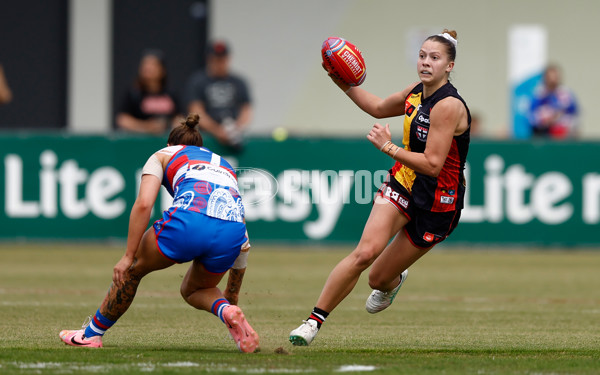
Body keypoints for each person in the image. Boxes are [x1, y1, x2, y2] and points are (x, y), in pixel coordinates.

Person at [289, 29, 471, 346]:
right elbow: (377, 107)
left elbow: (432, 164)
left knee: (377, 278)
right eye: (422, 55)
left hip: (438, 203)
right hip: (403, 181)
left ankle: (392, 281)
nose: (426, 63)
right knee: (365, 253)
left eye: (435, 58)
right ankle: (312, 322)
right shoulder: (417, 91)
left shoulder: (449, 106)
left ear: (449, 66)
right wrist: (341, 81)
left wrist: (388, 147)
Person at [59, 113, 259, 353]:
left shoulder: (163, 154)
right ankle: (226, 310)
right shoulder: (225, 165)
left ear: (169, 145)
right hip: (231, 233)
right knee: (194, 290)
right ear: (201, 148)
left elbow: (144, 204)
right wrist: (232, 294)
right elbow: (243, 238)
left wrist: (127, 256)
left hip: (188, 223)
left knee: (132, 271)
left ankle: (91, 335)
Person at [184, 40, 252, 152]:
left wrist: (236, 129)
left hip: (234, 135)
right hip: (205, 138)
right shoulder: (197, 81)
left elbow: (246, 110)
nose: (219, 63)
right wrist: (217, 130)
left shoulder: (239, 82)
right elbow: (195, 110)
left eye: (222, 59)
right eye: (216, 59)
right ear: (209, 59)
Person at [116, 50, 182, 135]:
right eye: (145, 65)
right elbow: (122, 119)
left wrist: (172, 126)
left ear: (162, 69)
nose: (148, 68)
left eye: (153, 65)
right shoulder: (134, 93)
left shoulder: (171, 93)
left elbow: (180, 118)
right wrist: (146, 127)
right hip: (140, 141)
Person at [529, 64, 578, 139]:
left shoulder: (566, 94)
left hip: (563, 136)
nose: (552, 80)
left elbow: (574, 114)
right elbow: (530, 116)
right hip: (542, 135)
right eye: (550, 77)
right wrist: (545, 120)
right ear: (545, 78)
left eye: (555, 77)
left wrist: (560, 119)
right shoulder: (538, 94)